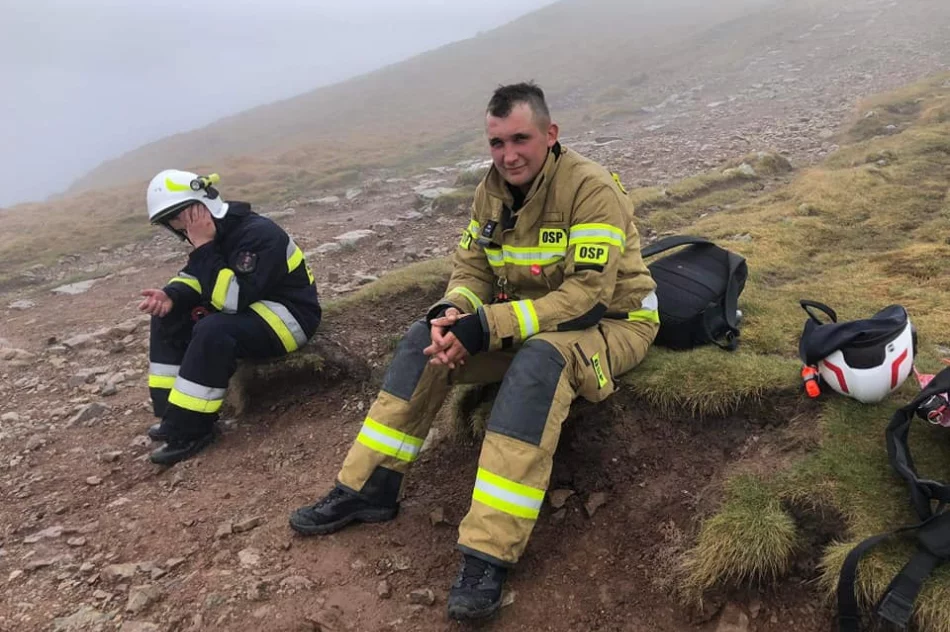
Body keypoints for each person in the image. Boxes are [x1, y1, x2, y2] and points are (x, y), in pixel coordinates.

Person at [289, 82, 658, 620]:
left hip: (613, 324)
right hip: (531, 320)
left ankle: (488, 551)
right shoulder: (491, 190)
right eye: (495, 142)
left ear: (550, 135)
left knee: (540, 363)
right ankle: (368, 487)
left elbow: (586, 297)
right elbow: (472, 268)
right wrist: (453, 312)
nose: (508, 155)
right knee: (421, 342)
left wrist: (488, 326)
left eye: (520, 139)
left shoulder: (591, 188)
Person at [140, 170, 321, 465]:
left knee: (214, 330)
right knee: (167, 315)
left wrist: (203, 247)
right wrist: (171, 295)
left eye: (178, 216)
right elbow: (199, 277)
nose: (177, 226)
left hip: (290, 318)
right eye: (171, 221)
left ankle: (193, 431)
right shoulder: (220, 234)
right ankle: (172, 416)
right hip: (256, 310)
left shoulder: (257, 234)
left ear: (200, 208)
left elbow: (232, 300)